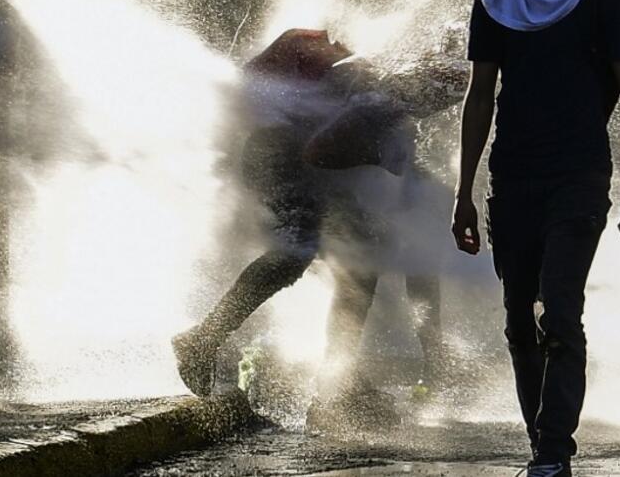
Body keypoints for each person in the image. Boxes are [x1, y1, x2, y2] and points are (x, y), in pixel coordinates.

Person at [452, 0, 620, 477]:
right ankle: (542, 447)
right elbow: (480, 93)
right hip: (512, 180)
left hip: (579, 177)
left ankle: (554, 451)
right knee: (518, 317)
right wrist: (464, 191)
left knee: (558, 307)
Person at [172, 28, 463, 430]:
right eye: (446, 98)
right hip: (285, 157)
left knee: (363, 259)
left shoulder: (388, 95)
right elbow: (319, 151)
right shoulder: (383, 100)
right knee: (298, 251)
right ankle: (203, 340)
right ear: (431, 87)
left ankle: (338, 384)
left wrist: (435, 352)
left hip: (299, 155)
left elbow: (418, 256)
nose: (445, 107)